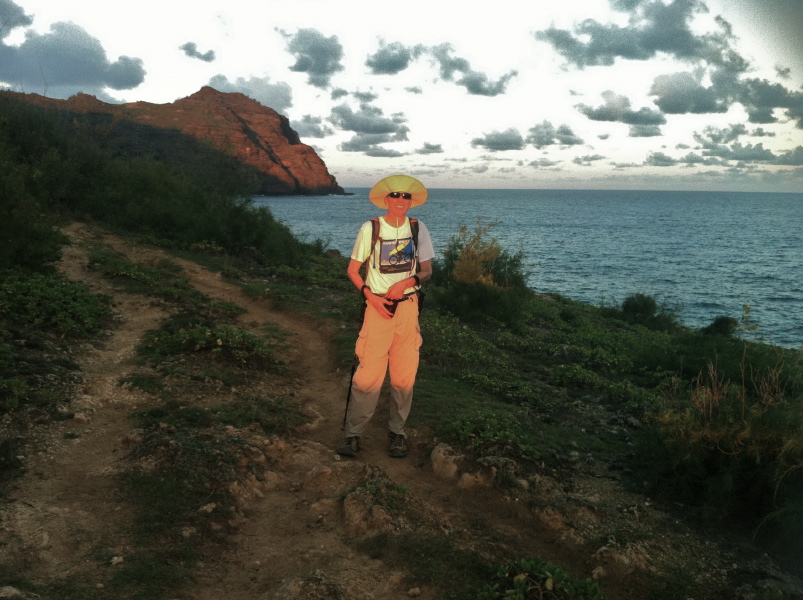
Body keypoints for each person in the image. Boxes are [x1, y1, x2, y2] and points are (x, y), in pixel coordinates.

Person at [338, 174, 434, 458]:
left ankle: (397, 433)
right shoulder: (372, 228)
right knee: (368, 374)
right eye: (395, 195)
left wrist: (405, 283)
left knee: (404, 376)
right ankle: (354, 434)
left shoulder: (418, 229)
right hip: (377, 309)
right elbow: (353, 271)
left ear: (411, 201)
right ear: (386, 199)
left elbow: (426, 271)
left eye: (406, 196)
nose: (401, 200)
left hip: (407, 308)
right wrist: (371, 297)